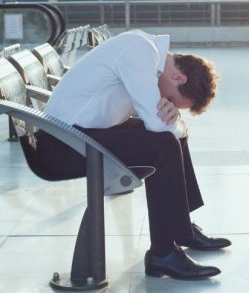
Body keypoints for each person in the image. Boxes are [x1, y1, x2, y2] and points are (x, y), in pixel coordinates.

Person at [34, 29, 231, 280]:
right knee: (165, 143)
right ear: (178, 77)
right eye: (170, 98)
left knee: (170, 138)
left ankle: (182, 229)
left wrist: (176, 120)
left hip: (79, 135)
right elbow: (158, 125)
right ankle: (163, 253)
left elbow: (162, 124)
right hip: (61, 145)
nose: (165, 101)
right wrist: (175, 122)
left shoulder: (144, 50)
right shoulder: (139, 51)